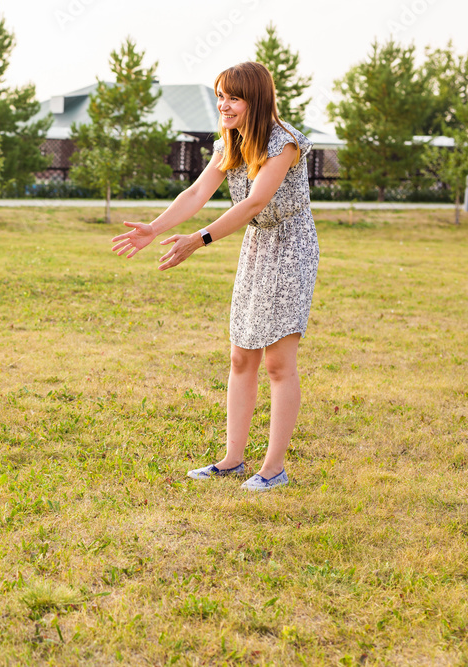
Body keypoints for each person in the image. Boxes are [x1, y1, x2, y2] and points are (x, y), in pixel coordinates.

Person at [111, 61, 318, 491]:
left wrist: (199, 239)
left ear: (255, 100)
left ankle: (273, 469)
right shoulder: (231, 142)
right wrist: (155, 228)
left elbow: (254, 203)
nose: (223, 105)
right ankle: (232, 460)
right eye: (220, 96)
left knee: (279, 363)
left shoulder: (284, 142)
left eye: (234, 98)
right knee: (241, 357)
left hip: (291, 246)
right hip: (257, 245)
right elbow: (196, 192)